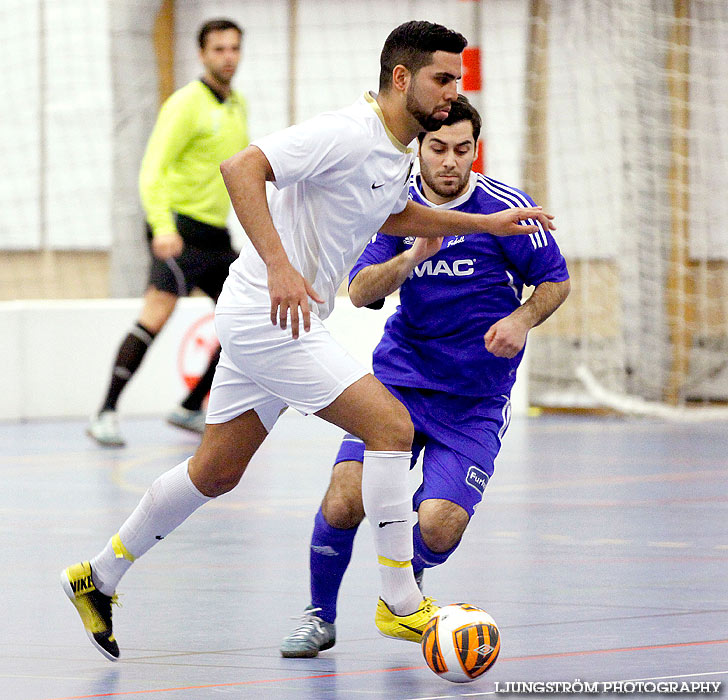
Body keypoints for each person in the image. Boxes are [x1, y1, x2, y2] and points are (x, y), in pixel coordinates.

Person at [62, 21, 556, 662]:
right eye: (442, 78)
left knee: (214, 472)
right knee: (391, 426)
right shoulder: (347, 131)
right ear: (401, 79)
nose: (451, 90)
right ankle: (401, 602)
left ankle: (97, 577)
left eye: (457, 80)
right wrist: (278, 264)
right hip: (269, 316)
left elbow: (391, 215)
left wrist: (483, 222)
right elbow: (242, 168)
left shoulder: (396, 150)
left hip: (283, 322)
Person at [278, 95, 570, 657]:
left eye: (463, 149)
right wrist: (412, 256)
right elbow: (360, 291)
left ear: (474, 151)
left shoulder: (505, 209)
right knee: (345, 498)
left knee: (439, 525)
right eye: (438, 148)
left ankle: (400, 594)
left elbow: (556, 279)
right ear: (419, 148)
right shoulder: (394, 204)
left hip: (475, 398)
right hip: (400, 382)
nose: (450, 161)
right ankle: (319, 615)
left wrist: (522, 317)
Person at [87, 18, 248, 447]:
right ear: (202, 54)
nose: (227, 57)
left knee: (247, 317)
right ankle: (105, 412)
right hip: (178, 230)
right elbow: (152, 169)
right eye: (218, 49)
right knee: (155, 316)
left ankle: (190, 405)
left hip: (216, 235)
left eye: (234, 48)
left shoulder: (237, 106)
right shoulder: (184, 104)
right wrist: (161, 227)